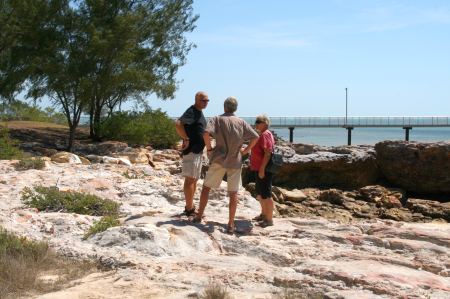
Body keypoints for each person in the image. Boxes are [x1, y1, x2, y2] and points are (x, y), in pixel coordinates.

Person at [193, 96, 259, 233]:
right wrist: (246, 150)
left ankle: (199, 215)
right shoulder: (241, 122)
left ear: (224, 107)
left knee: (206, 188)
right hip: (235, 160)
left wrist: (209, 149)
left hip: (219, 159)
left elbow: (206, 133)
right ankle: (230, 224)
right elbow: (256, 136)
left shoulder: (217, 119)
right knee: (233, 193)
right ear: (236, 108)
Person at [175, 91, 209, 216]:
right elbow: (178, 124)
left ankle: (191, 206)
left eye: (207, 101)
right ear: (196, 99)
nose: (205, 103)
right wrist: (186, 138)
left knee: (194, 179)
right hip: (192, 151)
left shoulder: (198, 112)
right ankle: (189, 208)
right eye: (203, 100)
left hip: (198, 152)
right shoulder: (192, 111)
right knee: (190, 180)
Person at [247, 114, 275, 227]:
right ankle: (263, 215)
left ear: (265, 124)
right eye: (256, 121)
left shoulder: (265, 135)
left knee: (266, 194)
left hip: (263, 169)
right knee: (261, 193)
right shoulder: (262, 134)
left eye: (259, 121)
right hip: (258, 168)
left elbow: (267, 153)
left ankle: (269, 219)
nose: (256, 123)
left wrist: (262, 169)